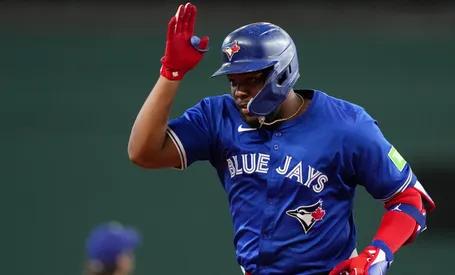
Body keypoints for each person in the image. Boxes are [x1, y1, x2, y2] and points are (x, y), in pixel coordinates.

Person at [127, 2, 436, 275]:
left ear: (282, 73)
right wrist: (171, 73)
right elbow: (144, 152)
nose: (238, 92)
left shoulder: (348, 125)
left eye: (250, 80)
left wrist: (376, 254)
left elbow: (409, 199)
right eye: (233, 82)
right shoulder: (217, 116)